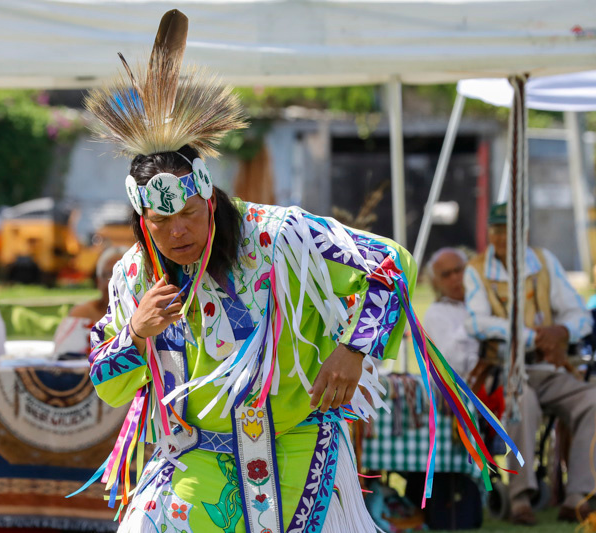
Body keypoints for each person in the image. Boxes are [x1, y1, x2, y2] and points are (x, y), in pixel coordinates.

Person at [76, 10, 517, 533]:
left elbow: (390, 264)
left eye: (189, 214)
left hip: (296, 451)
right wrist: (135, 331)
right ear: (141, 220)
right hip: (193, 463)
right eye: (160, 222)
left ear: (210, 199)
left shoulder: (280, 237)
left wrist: (354, 351)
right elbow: (106, 381)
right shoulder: (134, 276)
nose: (177, 233)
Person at [465, 202, 595, 525]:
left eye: (508, 230)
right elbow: (476, 322)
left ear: (522, 233)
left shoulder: (544, 261)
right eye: (496, 230)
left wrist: (563, 331)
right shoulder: (476, 270)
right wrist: (530, 337)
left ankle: (579, 496)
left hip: (548, 369)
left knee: (592, 401)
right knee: (523, 405)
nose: (501, 237)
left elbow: (579, 313)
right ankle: (520, 498)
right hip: (506, 370)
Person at [53, 246, 125, 358]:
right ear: (98, 281)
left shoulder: (147, 315)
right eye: (108, 274)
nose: (114, 282)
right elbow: (63, 360)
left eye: (122, 274)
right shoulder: (81, 316)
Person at [422, 247, 479, 378]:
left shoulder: (484, 301)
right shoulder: (435, 314)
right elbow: (452, 362)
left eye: (458, 270)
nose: (455, 277)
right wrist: (474, 322)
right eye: (446, 275)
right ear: (435, 283)